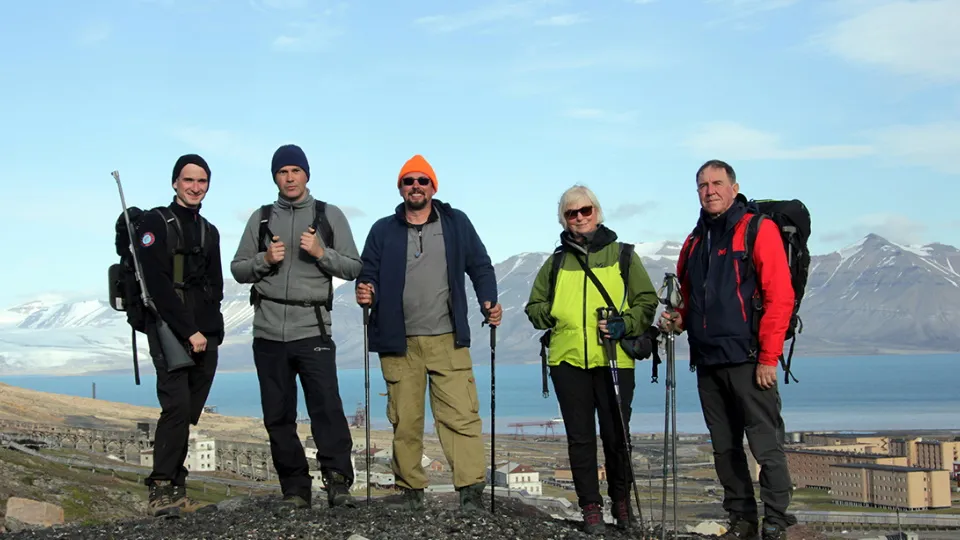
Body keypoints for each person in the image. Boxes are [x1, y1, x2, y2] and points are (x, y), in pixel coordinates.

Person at [355, 154, 500, 513]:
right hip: (397, 339)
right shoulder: (382, 229)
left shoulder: (455, 223)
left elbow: (480, 265)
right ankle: (411, 493)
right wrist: (365, 289)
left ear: (434, 187)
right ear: (400, 188)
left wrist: (489, 300)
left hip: (447, 337)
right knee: (405, 419)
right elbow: (367, 271)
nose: (416, 186)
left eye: (422, 180)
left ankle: (470, 492)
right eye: (409, 181)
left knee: (460, 416)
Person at [659, 159, 796, 540]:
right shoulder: (694, 240)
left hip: (750, 360)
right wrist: (677, 319)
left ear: (734, 188)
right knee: (724, 449)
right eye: (702, 185)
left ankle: (776, 521)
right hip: (707, 361)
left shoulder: (757, 230)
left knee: (765, 446)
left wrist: (769, 358)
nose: (710, 190)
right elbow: (687, 300)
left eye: (717, 183)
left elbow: (779, 297)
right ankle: (742, 520)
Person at [230, 144, 362, 509]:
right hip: (268, 331)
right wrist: (264, 259)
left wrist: (322, 253)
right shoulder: (260, 218)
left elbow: (353, 267)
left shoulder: (328, 215)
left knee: (326, 409)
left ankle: (337, 482)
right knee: (277, 414)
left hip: (313, 328)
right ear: (275, 177)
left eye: (295, 171)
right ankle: (294, 489)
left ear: (306, 175)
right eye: (282, 172)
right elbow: (238, 268)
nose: (289, 178)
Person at [524, 184, 658, 535]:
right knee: (580, 438)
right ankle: (591, 508)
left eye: (586, 211)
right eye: (572, 213)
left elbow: (646, 303)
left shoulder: (624, 256)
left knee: (617, 437)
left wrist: (622, 324)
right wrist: (554, 316)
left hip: (614, 359)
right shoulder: (555, 263)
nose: (580, 217)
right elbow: (534, 307)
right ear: (564, 219)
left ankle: (622, 502)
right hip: (568, 362)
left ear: (597, 212)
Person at [139, 154, 224, 517]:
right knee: (175, 407)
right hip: (168, 327)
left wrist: (210, 332)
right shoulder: (154, 223)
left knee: (188, 411)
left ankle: (177, 486)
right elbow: (156, 284)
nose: (194, 187)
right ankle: (161, 488)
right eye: (188, 180)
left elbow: (216, 286)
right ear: (175, 182)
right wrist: (188, 330)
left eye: (201, 181)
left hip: (206, 334)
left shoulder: (209, 230)